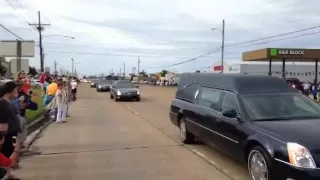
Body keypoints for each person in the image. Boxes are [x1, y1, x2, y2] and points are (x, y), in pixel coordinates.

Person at [0, 82, 21, 180]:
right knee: (5, 153)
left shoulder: (9, 101)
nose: (17, 91)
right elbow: (2, 121)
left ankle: (8, 174)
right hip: (6, 134)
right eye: (15, 90)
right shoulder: (2, 103)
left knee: (10, 151)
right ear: (10, 90)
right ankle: (4, 174)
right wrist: (2, 135)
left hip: (13, 132)